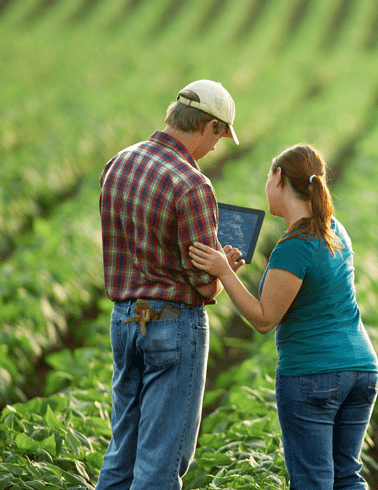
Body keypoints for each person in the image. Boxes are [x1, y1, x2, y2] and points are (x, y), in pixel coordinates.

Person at [188, 144, 378, 489]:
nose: (266, 186)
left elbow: (264, 319)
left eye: (267, 177)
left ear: (278, 177)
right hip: (362, 369)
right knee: (346, 476)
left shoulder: (295, 245)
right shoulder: (335, 229)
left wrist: (223, 273)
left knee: (313, 480)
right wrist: (228, 270)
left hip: (314, 374)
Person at [97, 79, 242, 490]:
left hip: (127, 318)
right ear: (209, 126)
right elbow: (202, 284)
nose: (215, 148)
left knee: (122, 448)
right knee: (162, 460)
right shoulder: (193, 184)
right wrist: (223, 270)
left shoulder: (119, 163)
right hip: (171, 323)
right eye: (219, 136)